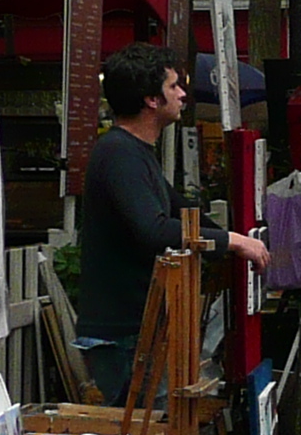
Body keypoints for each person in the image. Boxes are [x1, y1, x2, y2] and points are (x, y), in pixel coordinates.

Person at [76, 42, 266, 405]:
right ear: (151, 99)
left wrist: (243, 239)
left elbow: (181, 210)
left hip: (135, 333)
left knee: (160, 434)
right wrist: (234, 242)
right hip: (124, 335)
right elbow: (155, 230)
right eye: (174, 86)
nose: (182, 94)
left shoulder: (135, 153)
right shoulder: (118, 154)